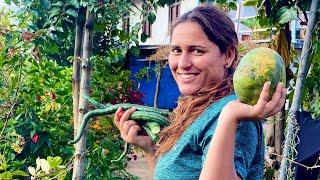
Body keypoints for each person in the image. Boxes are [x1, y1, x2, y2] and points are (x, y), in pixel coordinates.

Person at [114, 4, 286, 180]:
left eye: (197, 51)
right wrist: (150, 148)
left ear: (228, 55)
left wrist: (230, 116)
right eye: (176, 50)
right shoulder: (197, 108)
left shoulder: (236, 119)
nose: (182, 63)